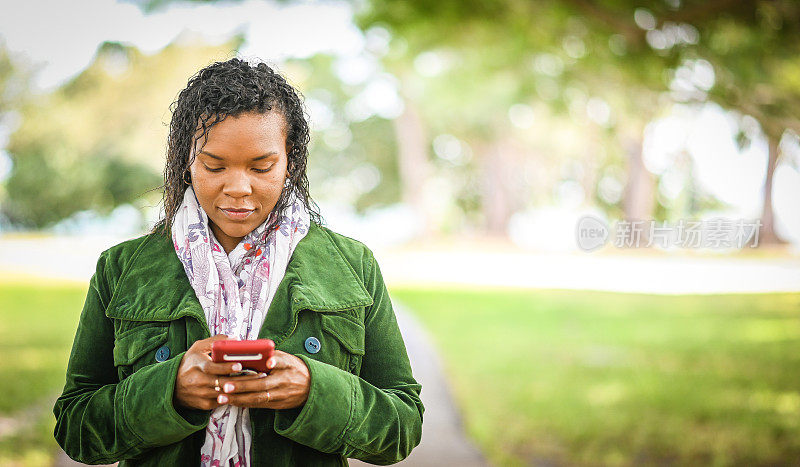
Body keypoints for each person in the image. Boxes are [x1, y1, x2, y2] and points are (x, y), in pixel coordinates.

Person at [53, 58, 424, 466]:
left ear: (290, 163)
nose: (238, 188)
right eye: (214, 165)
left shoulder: (352, 265)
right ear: (187, 162)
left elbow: (401, 426)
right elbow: (76, 426)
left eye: (261, 166)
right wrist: (168, 391)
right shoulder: (122, 269)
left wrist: (313, 391)